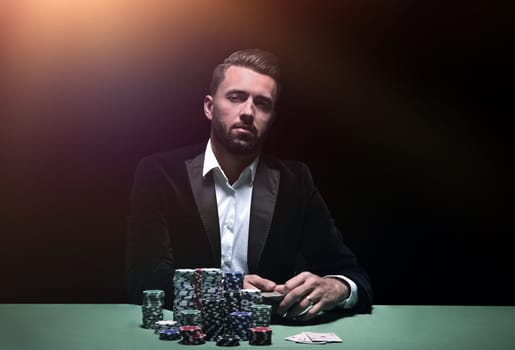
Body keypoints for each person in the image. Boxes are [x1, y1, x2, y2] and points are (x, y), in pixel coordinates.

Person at [126, 49, 373, 321]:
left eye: (263, 104)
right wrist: (225, 290)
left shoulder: (295, 181)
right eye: (236, 97)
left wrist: (336, 287)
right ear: (209, 107)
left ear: (272, 118)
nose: (248, 112)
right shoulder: (160, 173)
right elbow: (144, 277)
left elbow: (351, 274)